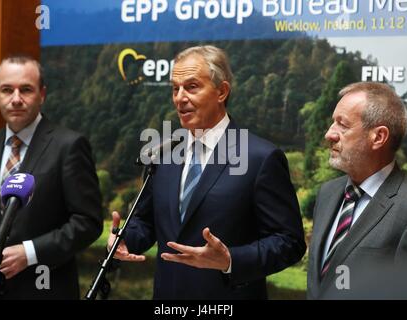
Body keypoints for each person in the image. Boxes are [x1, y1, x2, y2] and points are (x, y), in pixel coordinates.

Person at [108, 45, 306, 299]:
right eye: (175, 88)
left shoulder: (260, 158)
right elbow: (146, 222)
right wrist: (126, 239)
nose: (180, 97)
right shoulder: (161, 155)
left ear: (221, 91)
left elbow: (289, 242)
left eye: (191, 87)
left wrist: (230, 260)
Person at [0, 55, 103, 299]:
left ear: (42, 94)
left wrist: (30, 253)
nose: (16, 99)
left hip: (43, 289)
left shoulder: (69, 145)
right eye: (7, 90)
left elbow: (88, 222)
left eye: (26, 90)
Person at [307, 82, 407, 299]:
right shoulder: (327, 194)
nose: (330, 134)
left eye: (342, 125)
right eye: (333, 123)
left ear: (378, 137)